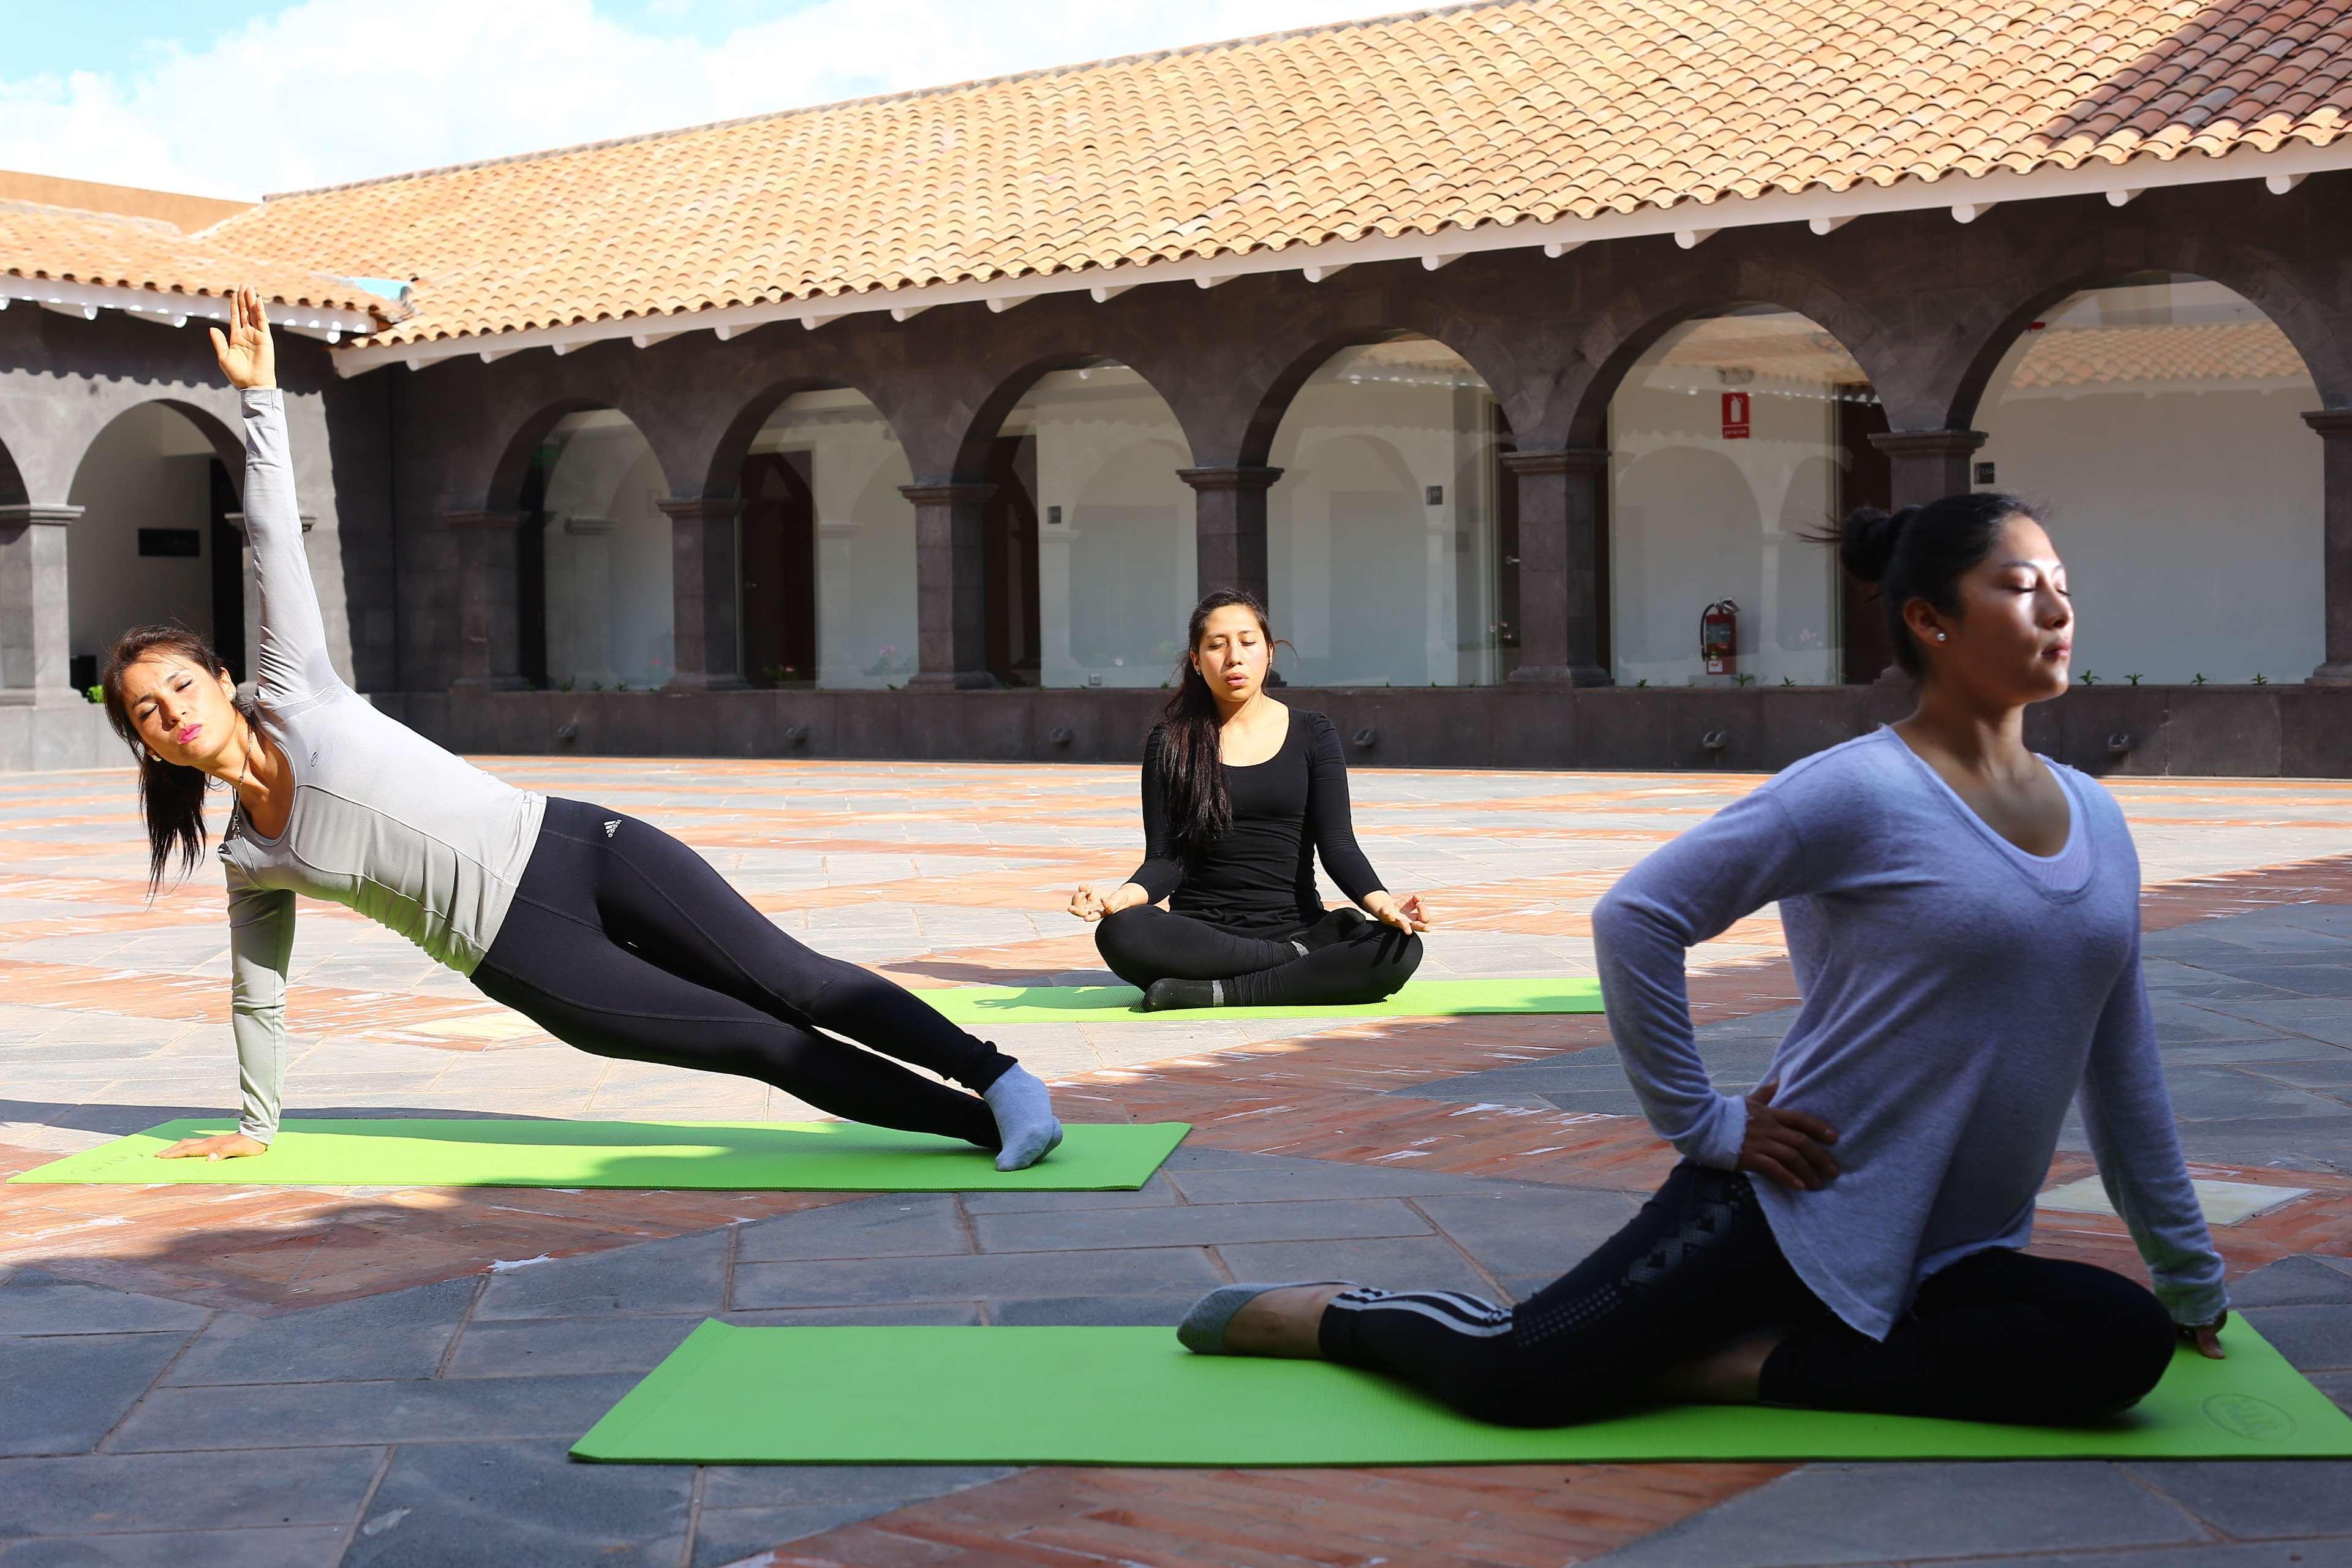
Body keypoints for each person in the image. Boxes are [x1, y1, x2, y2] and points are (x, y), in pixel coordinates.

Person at [1174, 493, 2230, 1427]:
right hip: (1797, 1203)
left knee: (2122, 1345)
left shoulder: (2098, 817)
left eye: (2063, 585)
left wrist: (2188, 1275)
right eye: (2019, 586)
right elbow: (1637, 917)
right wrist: (1706, 1123)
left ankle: (1733, 1362)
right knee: (1519, 1378)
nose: (2057, 609)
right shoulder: (1859, 791)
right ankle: (1331, 1316)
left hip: (1949, 1255)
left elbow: (2121, 1060)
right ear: (1931, 620)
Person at [102, 288, 1061, 1172]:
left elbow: (272, 544)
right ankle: (992, 1128)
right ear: (146, 743)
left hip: (576, 845)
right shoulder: (248, 859)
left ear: (222, 678)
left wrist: (261, 401)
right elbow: (258, 991)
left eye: (181, 684)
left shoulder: (299, 690)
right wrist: (256, 1125)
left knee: (792, 980)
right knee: (759, 1040)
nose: (174, 710)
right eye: (149, 710)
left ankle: (1001, 1075)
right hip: (524, 958)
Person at [1067, 590, 1428, 1011]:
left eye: (1247, 641)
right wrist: (1121, 898)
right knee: (1120, 933)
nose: (1234, 657)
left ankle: (1213, 992)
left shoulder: (1314, 732)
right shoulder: (1170, 742)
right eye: (1217, 645)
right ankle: (1294, 965)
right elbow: (1166, 860)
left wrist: (1382, 903)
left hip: (1295, 925)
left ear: (1269, 652)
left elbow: (1338, 845)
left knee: (1400, 948)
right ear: (1197, 662)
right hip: (1204, 934)